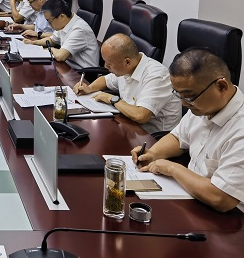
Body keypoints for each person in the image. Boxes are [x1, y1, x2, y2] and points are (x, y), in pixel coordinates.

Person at [131, 48, 244, 213]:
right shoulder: (202, 107)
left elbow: (221, 198)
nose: (184, 103)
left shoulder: (239, 129)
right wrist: (153, 154)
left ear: (221, 86)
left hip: (229, 219)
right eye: (179, 95)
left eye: (189, 96)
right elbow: (178, 137)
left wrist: (172, 168)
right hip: (193, 198)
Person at [74, 34, 181, 133]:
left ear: (127, 62)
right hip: (129, 125)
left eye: (109, 64)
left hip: (151, 137)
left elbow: (141, 116)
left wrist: (111, 99)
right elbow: (105, 80)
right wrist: (89, 88)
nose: (105, 66)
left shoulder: (156, 76)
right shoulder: (127, 67)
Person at [24, 0, 99, 69]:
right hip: (68, 66)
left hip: (81, 73)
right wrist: (33, 43)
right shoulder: (65, 23)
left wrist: (50, 49)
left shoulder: (79, 30)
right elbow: (52, 40)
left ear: (62, 17)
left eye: (50, 21)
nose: (49, 25)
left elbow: (60, 56)